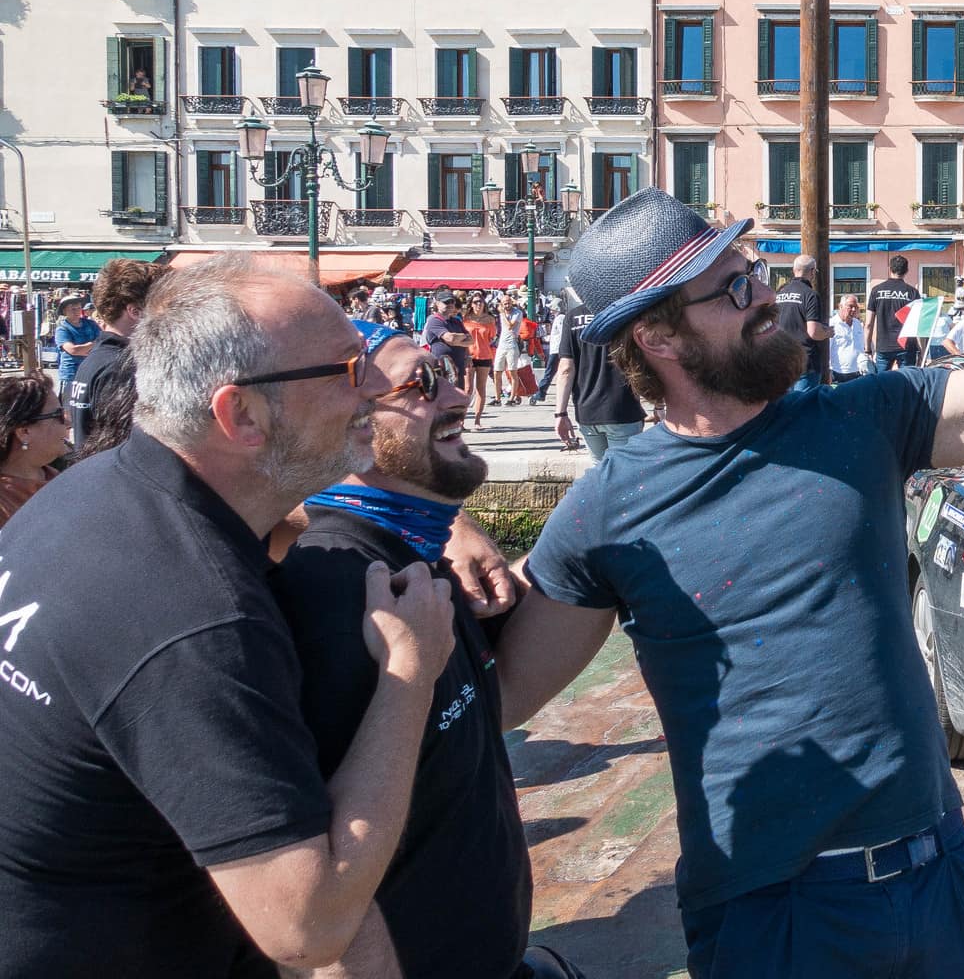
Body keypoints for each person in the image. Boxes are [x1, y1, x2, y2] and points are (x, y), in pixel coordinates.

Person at [486, 140, 964, 979]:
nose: (765, 298)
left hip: (939, 880)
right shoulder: (607, 510)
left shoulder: (864, 420)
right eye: (730, 290)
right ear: (659, 338)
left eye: (749, 270)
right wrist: (436, 530)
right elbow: (502, 695)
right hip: (774, 913)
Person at [0, 255, 456, 976]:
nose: (374, 386)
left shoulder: (91, 493)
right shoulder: (192, 615)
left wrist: (451, 521)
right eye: (346, 370)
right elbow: (309, 925)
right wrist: (410, 674)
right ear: (239, 414)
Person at [273, 323, 578, 979]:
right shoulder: (339, 594)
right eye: (423, 383)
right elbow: (315, 878)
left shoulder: (413, 561)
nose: (460, 394)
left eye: (445, 371)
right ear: (352, 429)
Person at [67, 257, 160, 450]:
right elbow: (124, 445)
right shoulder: (121, 366)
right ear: (135, 311)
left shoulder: (98, 358)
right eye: (159, 305)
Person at [552, 296, 648, 458]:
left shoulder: (573, 317)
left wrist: (560, 414)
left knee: (601, 470)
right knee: (624, 473)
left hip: (587, 411)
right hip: (622, 408)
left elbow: (566, 369)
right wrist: (659, 405)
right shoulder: (627, 314)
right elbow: (646, 361)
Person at [0, 371, 66, 528]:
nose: (68, 421)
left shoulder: (59, 475)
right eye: (58, 414)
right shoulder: (5, 504)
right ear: (24, 432)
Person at [773, 254, 831, 387]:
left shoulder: (779, 294)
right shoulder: (810, 295)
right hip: (805, 362)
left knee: (785, 405)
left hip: (782, 359)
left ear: (794, 270)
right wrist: (828, 332)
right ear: (812, 272)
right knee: (804, 405)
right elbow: (813, 332)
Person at [866, 255, 920, 372]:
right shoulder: (912, 293)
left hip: (884, 346)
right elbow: (917, 324)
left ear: (889, 269)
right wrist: (921, 349)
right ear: (906, 271)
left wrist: (867, 349)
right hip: (906, 346)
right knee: (907, 382)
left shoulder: (876, 291)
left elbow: (868, 324)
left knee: (881, 384)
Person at [51, 292, 98, 402]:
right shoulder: (62, 329)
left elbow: (102, 341)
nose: (77, 311)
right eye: (72, 309)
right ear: (64, 311)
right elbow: (73, 350)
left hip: (90, 371)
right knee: (68, 409)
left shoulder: (90, 324)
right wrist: (92, 345)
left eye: (78, 308)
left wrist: (86, 349)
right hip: (70, 374)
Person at [422, 295, 472, 393]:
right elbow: (450, 338)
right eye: (446, 302)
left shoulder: (456, 321)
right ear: (437, 304)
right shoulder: (434, 320)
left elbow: (471, 340)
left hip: (458, 369)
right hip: (441, 370)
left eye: (452, 302)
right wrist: (462, 338)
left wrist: (456, 340)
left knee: (457, 400)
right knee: (441, 401)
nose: (450, 305)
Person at [464, 299, 499, 428]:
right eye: (475, 302)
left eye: (480, 302)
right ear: (471, 304)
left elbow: (493, 337)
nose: (478, 304)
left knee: (481, 388)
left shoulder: (489, 319)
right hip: (469, 355)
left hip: (485, 355)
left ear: (484, 304)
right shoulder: (465, 318)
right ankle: (461, 421)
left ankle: (477, 420)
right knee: (467, 389)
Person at [828, 294, 866, 383]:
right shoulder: (831, 325)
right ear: (840, 306)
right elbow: (826, 351)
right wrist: (828, 371)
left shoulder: (858, 324)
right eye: (850, 306)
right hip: (838, 373)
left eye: (856, 307)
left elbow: (862, 346)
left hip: (858, 372)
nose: (854, 309)